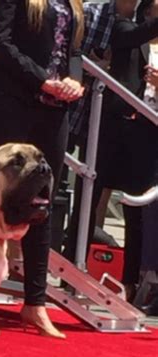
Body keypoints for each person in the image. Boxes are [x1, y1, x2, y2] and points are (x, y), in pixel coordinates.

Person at [0, 0, 85, 338]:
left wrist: (74, 83)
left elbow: (74, 52)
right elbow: (2, 45)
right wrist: (43, 80)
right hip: (11, 104)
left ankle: (35, 302)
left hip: (54, 113)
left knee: (43, 203)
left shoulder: (73, 3)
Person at [81, 0, 158, 301]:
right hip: (117, 129)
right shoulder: (128, 31)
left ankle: (131, 280)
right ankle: (78, 264)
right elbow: (129, 37)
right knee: (93, 194)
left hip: (147, 136)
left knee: (136, 209)